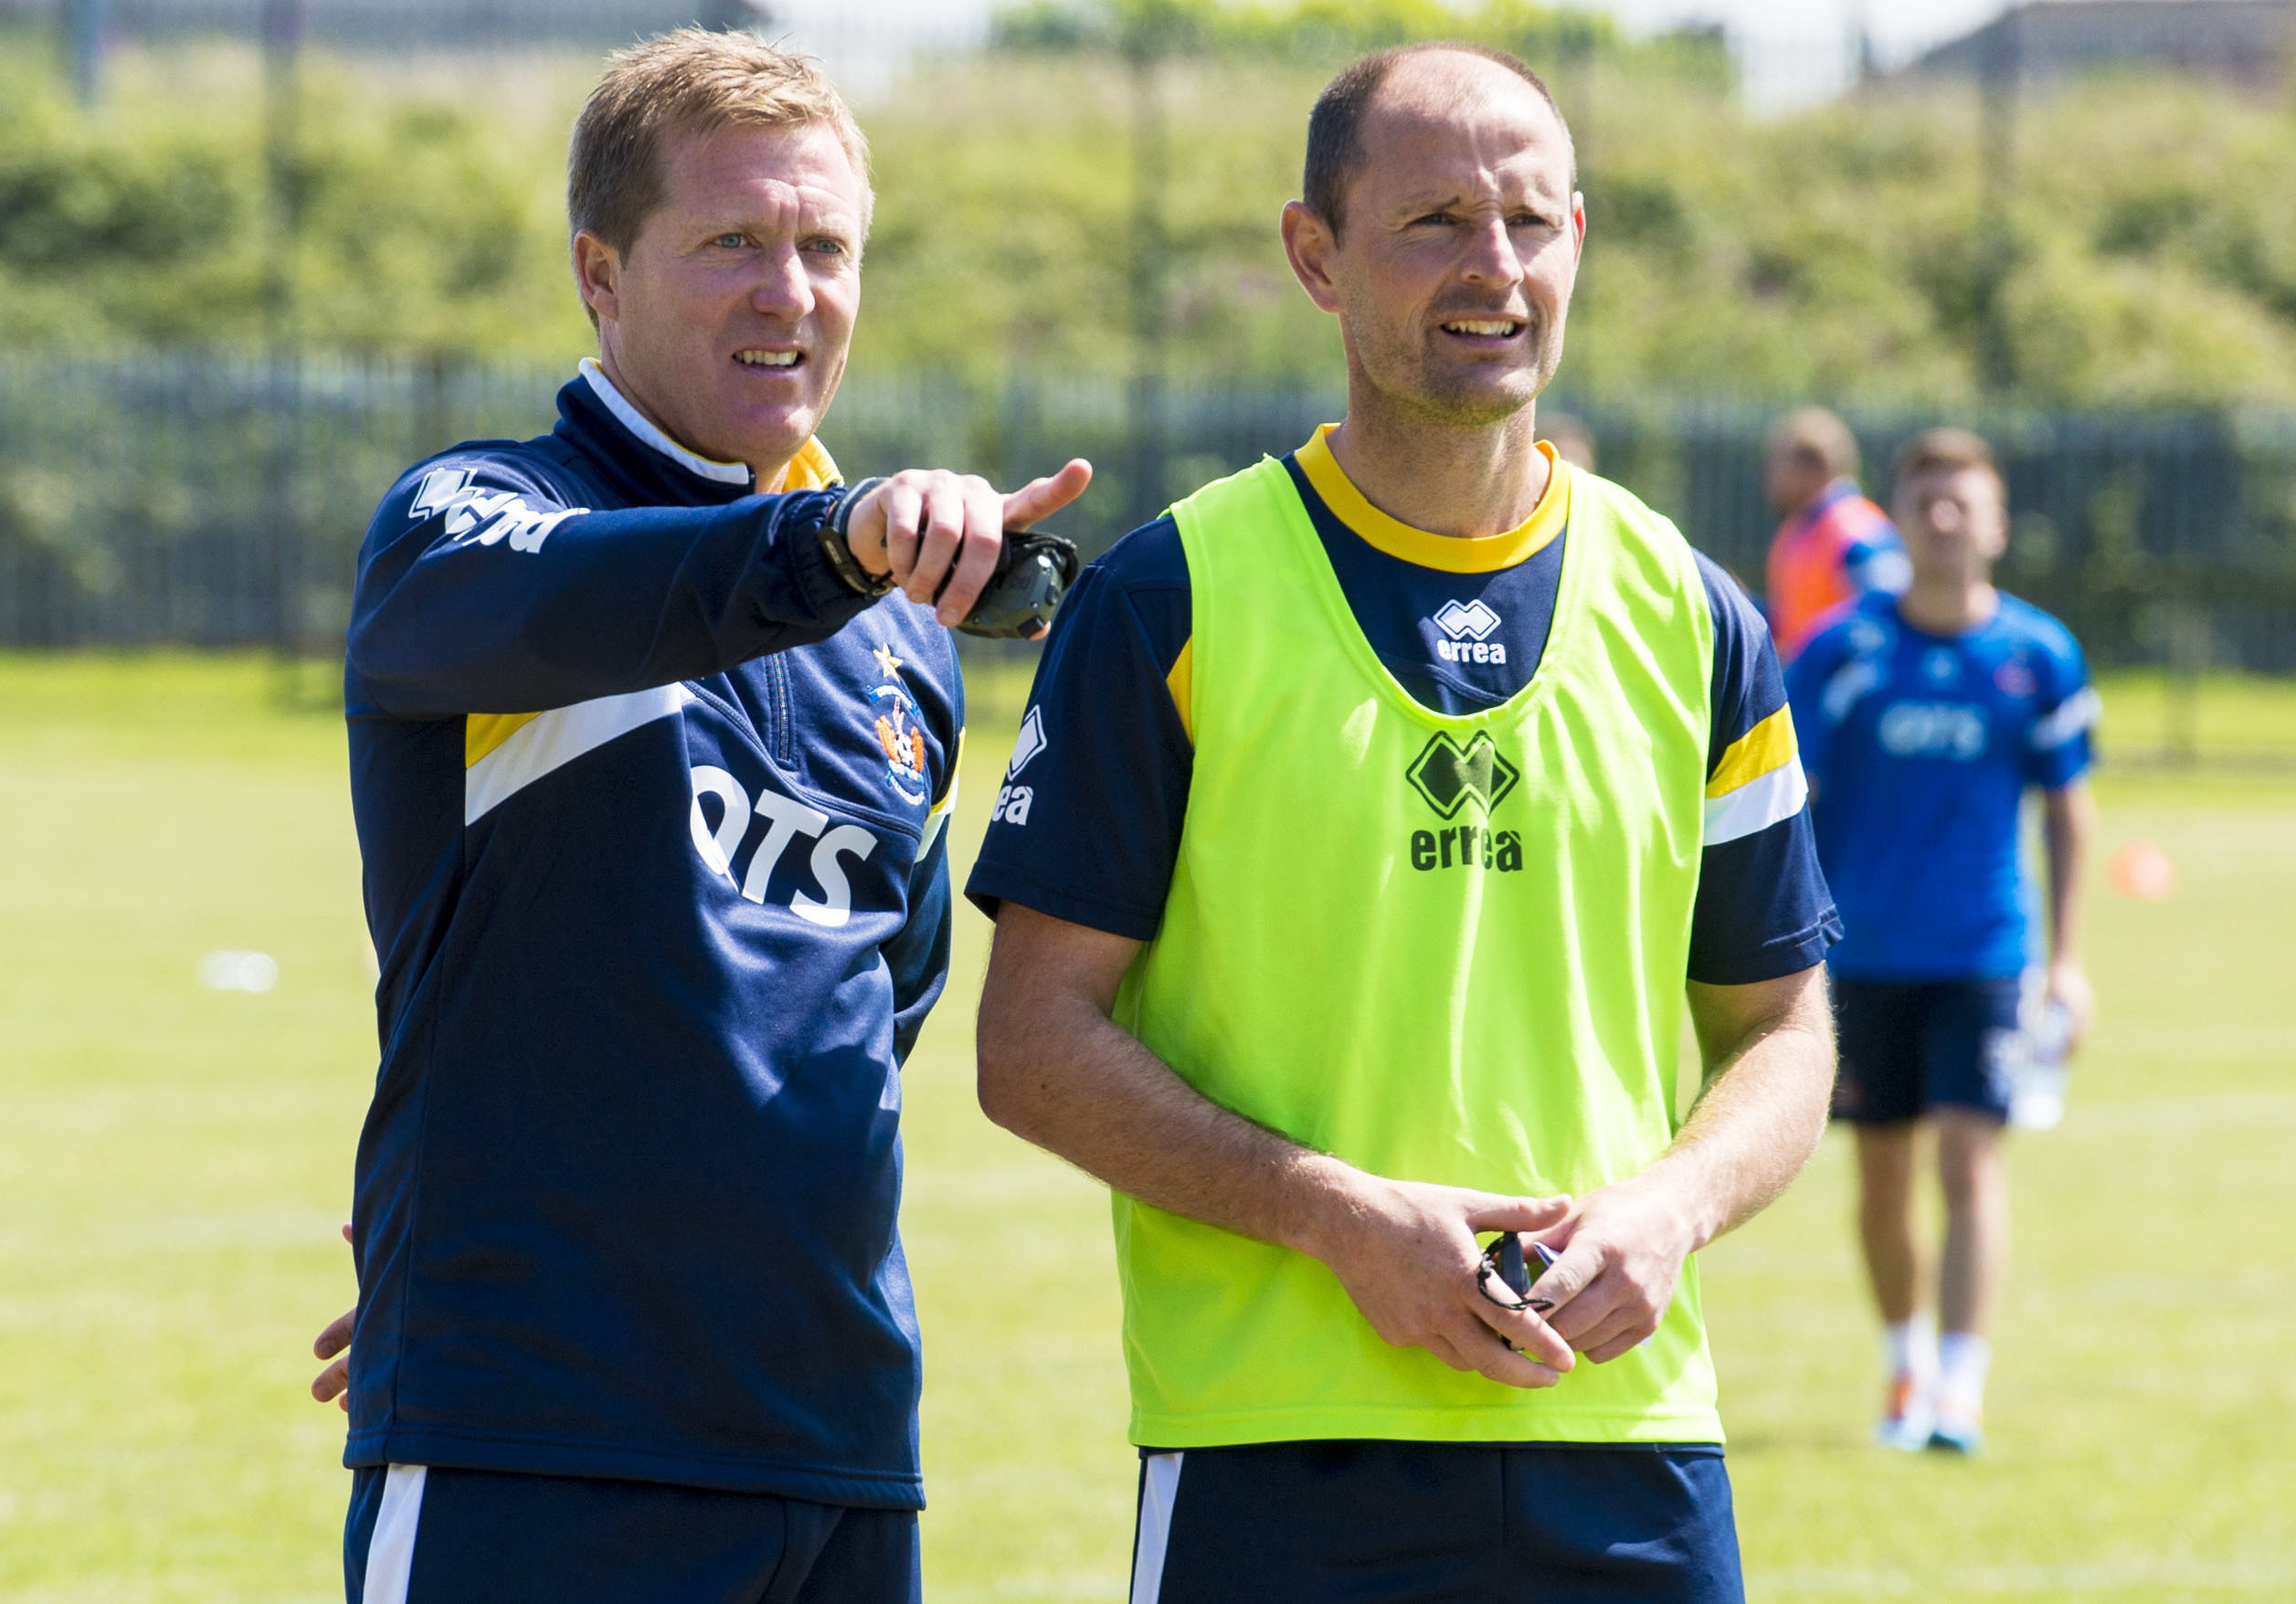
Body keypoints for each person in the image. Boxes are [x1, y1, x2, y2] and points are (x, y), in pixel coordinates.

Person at [967, 43, 1842, 1603]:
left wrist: (1669, 1210)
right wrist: (1338, 1218)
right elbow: (1029, 1044)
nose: (1491, 266)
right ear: (1315, 255)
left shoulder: (1692, 615)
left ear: (1577, 235)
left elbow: (1783, 1027)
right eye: (1432, 219)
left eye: (1526, 219)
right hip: (1272, 1457)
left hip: (1628, 1448)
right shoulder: (1168, 601)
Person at [306, 31, 1088, 1603]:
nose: (784, 293)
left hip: (836, 1443)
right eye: (730, 242)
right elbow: (605, 594)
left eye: (822, 248)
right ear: (601, 274)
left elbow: (873, 1009)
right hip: (537, 1433)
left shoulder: (897, 633)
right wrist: (836, 536)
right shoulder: (477, 523)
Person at [1785, 427, 2096, 1456]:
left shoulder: (2035, 655)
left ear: (1997, 523)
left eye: (1963, 501)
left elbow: (2067, 811)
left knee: (1968, 1161)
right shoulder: (1837, 652)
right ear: (1898, 517)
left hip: (1982, 954)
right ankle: (1901, 1361)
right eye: (1925, 500)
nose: (1944, 517)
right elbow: (1787, 801)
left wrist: (2065, 961)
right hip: (1860, 958)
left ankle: (1959, 1387)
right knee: (1879, 1173)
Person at [1763, 406, 1908, 662]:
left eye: (1779, 464)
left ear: (1815, 467)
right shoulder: (1797, 529)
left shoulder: (1860, 530)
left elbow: (1890, 618)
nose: (1770, 477)